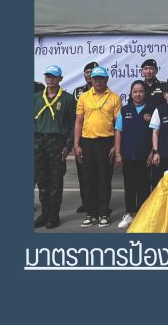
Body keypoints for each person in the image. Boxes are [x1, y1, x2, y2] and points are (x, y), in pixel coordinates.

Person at [73, 65, 122, 228]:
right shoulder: (84, 97)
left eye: (101, 78)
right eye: (95, 78)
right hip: (87, 142)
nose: (98, 81)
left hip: (106, 142)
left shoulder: (114, 98)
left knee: (104, 179)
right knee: (88, 179)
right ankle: (91, 214)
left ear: (106, 79)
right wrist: (76, 144)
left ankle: (103, 213)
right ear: (91, 79)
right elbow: (78, 122)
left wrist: (115, 146)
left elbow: (117, 125)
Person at [34, 65, 76, 229]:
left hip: (57, 142)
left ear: (60, 79)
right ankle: (44, 213)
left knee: (56, 180)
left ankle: (53, 215)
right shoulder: (37, 97)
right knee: (42, 180)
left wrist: (68, 146)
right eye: (48, 76)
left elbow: (73, 125)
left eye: (54, 76)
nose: (50, 79)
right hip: (39, 142)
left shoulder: (67, 99)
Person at [114, 81, 155, 229]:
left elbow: (156, 132)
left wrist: (153, 151)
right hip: (128, 155)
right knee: (129, 185)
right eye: (135, 91)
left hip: (145, 156)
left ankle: (143, 215)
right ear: (131, 93)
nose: (138, 94)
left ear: (145, 93)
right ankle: (129, 214)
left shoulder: (152, 110)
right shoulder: (125, 110)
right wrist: (118, 153)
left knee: (144, 186)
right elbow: (118, 132)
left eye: (141, 91)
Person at [71, 60, 99, 214]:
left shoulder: (104, 91)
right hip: (82, 137)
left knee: (98, 173)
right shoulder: (78, 92)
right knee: (83, 173)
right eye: (87, 72)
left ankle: (99, 203)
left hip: (98, 136)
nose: (89, 75)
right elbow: (75, 118)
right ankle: (86, 202)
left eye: (92, 72)